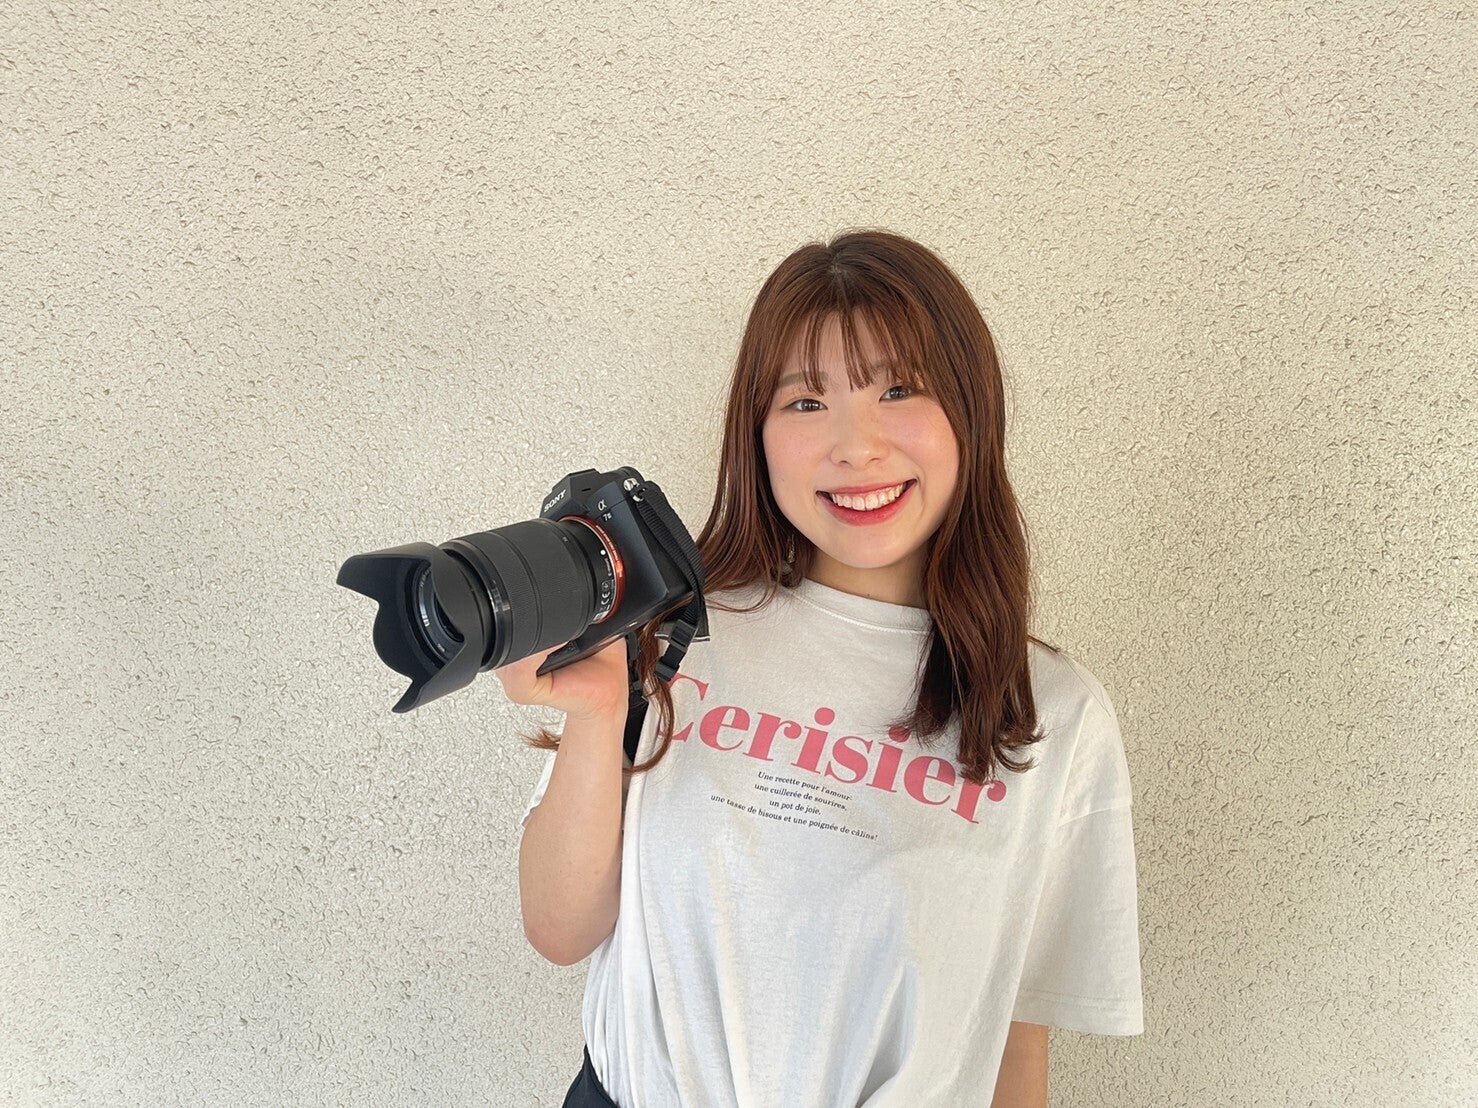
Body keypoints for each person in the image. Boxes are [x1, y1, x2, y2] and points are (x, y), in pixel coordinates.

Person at [504, 230, 1144, 1107]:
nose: (856, 445)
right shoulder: (674, 632)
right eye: (805, 401)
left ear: (971, 412)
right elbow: (560, 927)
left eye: (899, 389)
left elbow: (1010, 1038)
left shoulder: (1050, 716)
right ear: (757, 435)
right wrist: (594, 712)